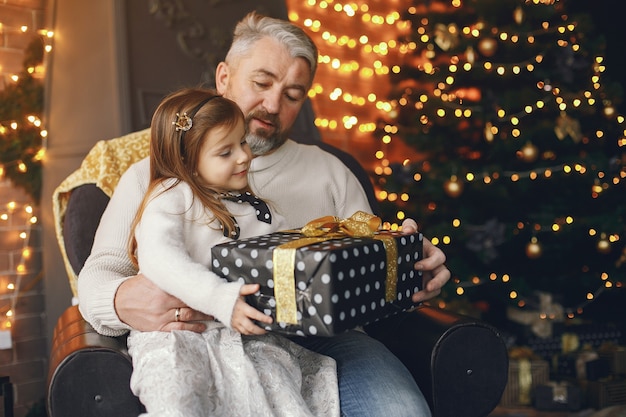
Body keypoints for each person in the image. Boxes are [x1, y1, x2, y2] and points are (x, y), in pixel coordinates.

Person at [78, 11, 451, 417]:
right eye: (261, 83)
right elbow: (98, 274)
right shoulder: (159, 175)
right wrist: (121, 300)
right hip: (203, 332)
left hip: (328, 338)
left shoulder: (331, 172)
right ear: (223, 78)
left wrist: (410, 267)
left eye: (293, 95)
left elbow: (367, 259)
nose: (273, 105)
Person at [126, 87, 339, 416]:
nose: (243, 156)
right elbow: (159, 257)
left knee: (281, 399)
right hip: (180, 335)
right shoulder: (171, 196)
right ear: (188, 162)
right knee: (177, 397)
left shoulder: (256, 209)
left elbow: (285, 256)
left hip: (248, 337)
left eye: (242, 142)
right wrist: (218, 298)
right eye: (225, 152)